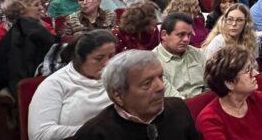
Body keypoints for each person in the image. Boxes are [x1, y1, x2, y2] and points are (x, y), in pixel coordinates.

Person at [72, 50, 200, 139]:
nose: (161, 87)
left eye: (160, 77)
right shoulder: (95, 134)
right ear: (118, 95)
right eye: (147, 83)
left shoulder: (178, 108)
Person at [197, 45, 262, 139]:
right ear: (229, 83)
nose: (256, 74)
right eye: (248, 71)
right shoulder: (209, 120)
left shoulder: (257, 98)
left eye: (253, 68)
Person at [28, 30, 117, 140]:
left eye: (111, 56)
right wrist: (98, 132)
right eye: (99, 58)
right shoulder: (55, 84)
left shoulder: (116, 78)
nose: (107, 63)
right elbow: (40, 134)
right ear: (80, 58)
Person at [0, 0, 57, 95]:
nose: (41, 8)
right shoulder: (0, 33)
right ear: (21, 9)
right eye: (36, 5)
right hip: (21, 83)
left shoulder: (44, 26)